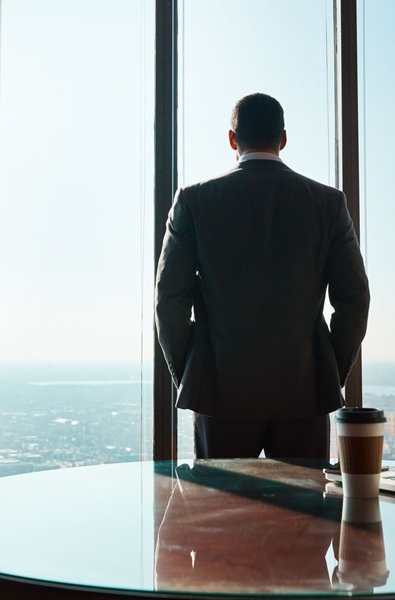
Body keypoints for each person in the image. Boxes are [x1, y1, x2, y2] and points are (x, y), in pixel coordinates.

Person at [155, 93, 369, 459]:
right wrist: (326, 368)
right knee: (306, 514)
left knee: (223, 515)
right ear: (282, 139)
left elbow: (169, 302)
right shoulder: (328, 203)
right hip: (304, 395)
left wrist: (196, 371)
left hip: (221, 394)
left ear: (232, 139)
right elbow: (354, 301)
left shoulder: (193, 202)